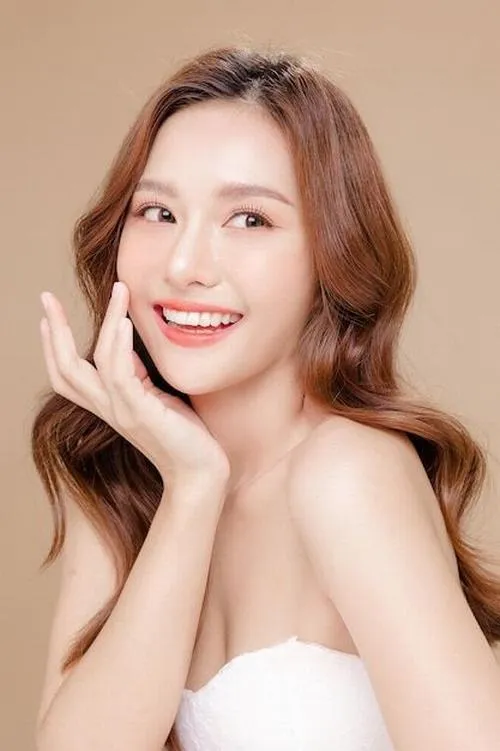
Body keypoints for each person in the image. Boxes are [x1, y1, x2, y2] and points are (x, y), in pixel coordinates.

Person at [31, 44, 500, 751]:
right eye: (156, 212)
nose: (185, 265)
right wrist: (192, 487)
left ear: (332, 256)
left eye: (249, 220)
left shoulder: (347, 473)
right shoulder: (119, 476)